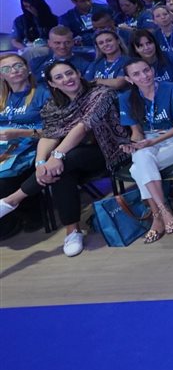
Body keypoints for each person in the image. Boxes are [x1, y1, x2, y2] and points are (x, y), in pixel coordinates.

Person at [0, 61, 129, 257]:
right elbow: (50, 134)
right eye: (59, 77)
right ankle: (73, 230)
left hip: (110, 149)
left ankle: (12, 200)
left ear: (78, 72)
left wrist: (57, 155)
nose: (66, 79)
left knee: (65, 160)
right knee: (61, 170)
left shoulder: (101, 93)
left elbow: (83, 127)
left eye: (69, 73)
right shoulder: (54, 105)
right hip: (72, 154)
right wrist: (41, 163)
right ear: (52, 84)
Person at [117, 57, 173, 244]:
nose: (144, 76)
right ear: (129, 79)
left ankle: (157, 216)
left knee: (138, 167)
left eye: (146, 70)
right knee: (141, 158)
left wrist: (150, 143)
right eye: (136, 74)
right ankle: (162, 211)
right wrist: (133, 144)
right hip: (149, 143)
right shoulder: (126, 98)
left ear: (152, 70)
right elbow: (136, 133)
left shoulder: (171, 88)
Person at [0, 53, 52, 239]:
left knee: (2, 182)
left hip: (35, 147)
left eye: (18, 66)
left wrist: (20, 133)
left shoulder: (42, 93)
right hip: (5, 148)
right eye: (6, 69)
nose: (13, 71)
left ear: (27, 68)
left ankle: (15, 222)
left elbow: (53, 130)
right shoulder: (2, 98)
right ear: (1, 75)